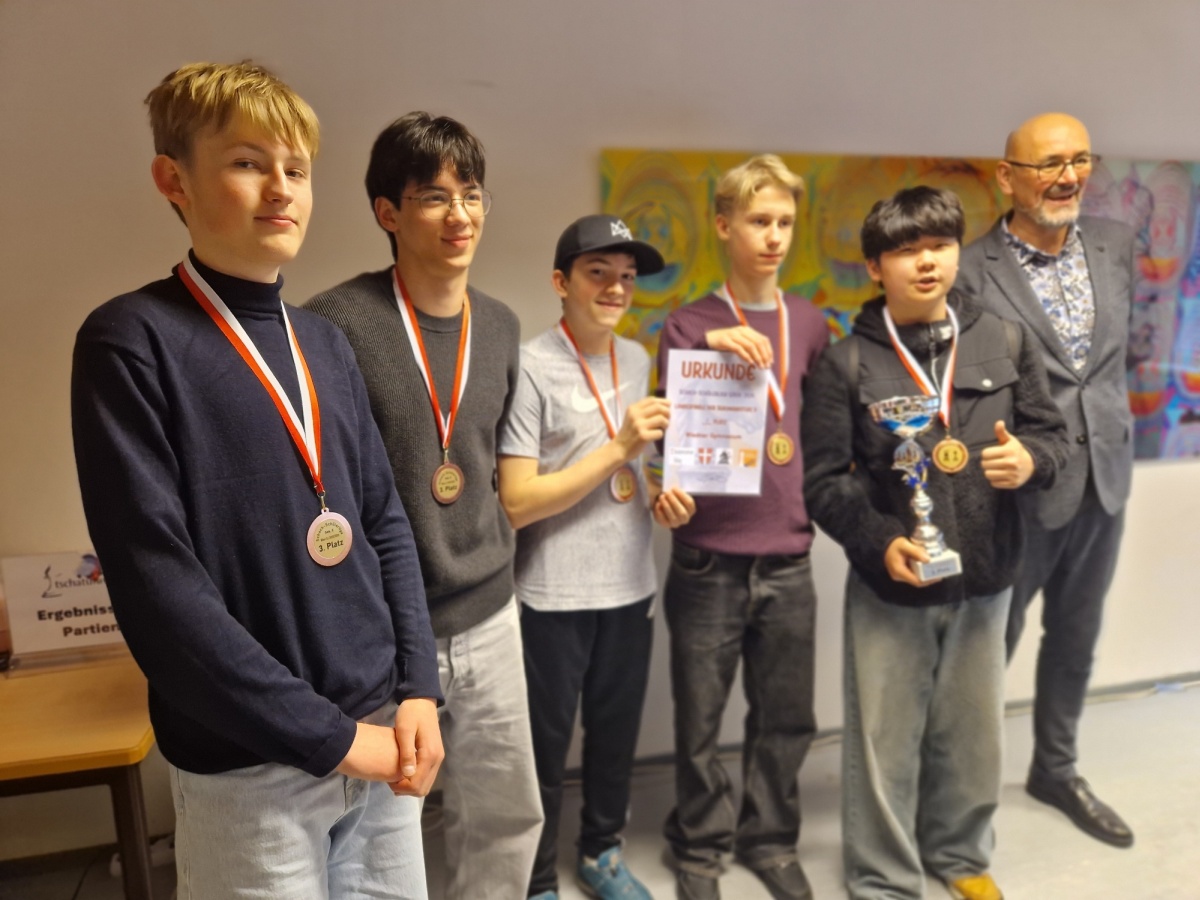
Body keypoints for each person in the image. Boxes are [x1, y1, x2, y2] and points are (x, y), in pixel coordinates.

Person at [71, 62, 443, 899]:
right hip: (251, 770)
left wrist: (418, 689)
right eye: (247, 163)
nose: (281, 189)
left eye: (297, 169)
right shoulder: (131, 342)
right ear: (174, 180)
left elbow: (384, 525)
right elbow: (159, 591)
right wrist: (332, 738)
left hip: (381, 734)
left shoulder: (325, 344)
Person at [803, 186, 1069, 900]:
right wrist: (879, 540)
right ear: (875, 268)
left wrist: (1032, 462)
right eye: (906, 250)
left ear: (957, 252)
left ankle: (959, 857)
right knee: (883, 743)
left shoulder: (1005, 340)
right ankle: (884, 877)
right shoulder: (846, 364)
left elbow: (1052, 436)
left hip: (987, 578)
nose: (927, 262)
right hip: (892, 587)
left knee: (975, 737)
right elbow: (823, 481)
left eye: (940, 246)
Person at [305, 112, 543, 900]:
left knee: (506, 815)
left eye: (471, 195)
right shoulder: (335, 325)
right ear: (388, 212)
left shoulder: (501, 326)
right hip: (382, 630)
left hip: (490, 613)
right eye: (434, 197)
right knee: (379, 832)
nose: (459, 215)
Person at [497, 214, 696, 900]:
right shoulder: (529, 365)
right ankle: (534, 879)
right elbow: (517, 502)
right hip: (551, 595)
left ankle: (602, 854)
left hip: (629, 587)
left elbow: (636, 473)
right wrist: (619, 449)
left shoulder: (637, 359)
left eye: (627, 277)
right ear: (561, 282)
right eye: (598, 273)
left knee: (615, 738)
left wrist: (660, 496)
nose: (616, 288)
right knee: (543, 749)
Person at [956, 113, 1136, 849]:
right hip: (1015, 494)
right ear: (1007, 177)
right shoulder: (970, 270)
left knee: (1076, 635)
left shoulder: (1116, 245)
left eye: (1080, 160)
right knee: (987, 645)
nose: (1068, 177)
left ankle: (1055, 770)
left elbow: (1103, 370)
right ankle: (957, 796)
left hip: (1105, 479)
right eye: (1049, 164)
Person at [655, 155, 829, 900]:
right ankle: (699, 849)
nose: (774, 236)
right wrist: (709, 348)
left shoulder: (811, 323)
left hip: (787, 556)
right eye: (760, 221)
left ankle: (771, 839)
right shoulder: (686, 324)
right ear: (725, 226)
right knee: (699, 721)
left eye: (785, 222)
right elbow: (668, 439)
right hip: (708, 558)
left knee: (786, 717)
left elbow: (820, 433)